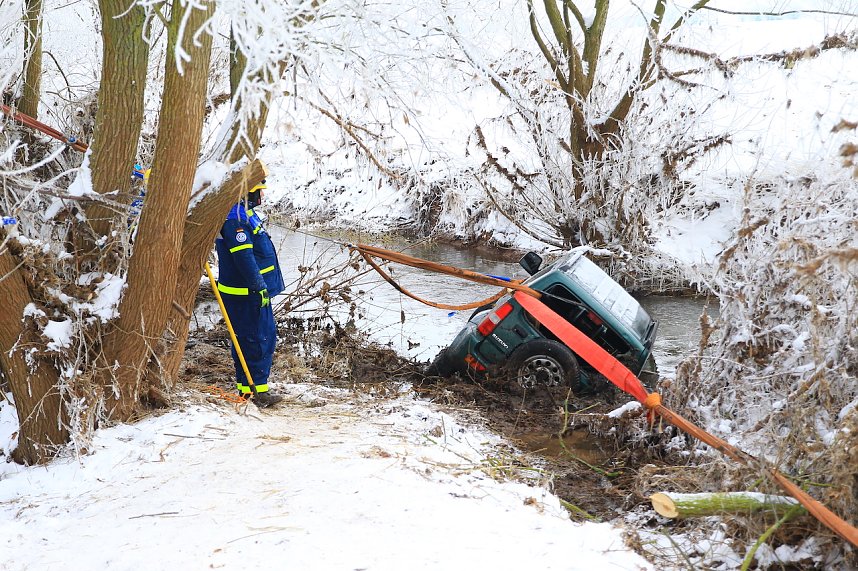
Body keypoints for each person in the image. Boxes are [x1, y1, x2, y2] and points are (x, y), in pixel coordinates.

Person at [215, 179, 285, 407]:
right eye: (259, 191)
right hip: (246, 293)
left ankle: (246, 389)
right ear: (247, 192)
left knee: (248, 339)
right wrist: (259, 286)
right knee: (259, 339)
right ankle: (259, 392)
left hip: (248, 292)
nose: (262, 196)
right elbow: (244, 257)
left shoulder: (243, 213)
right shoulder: (235, 219)